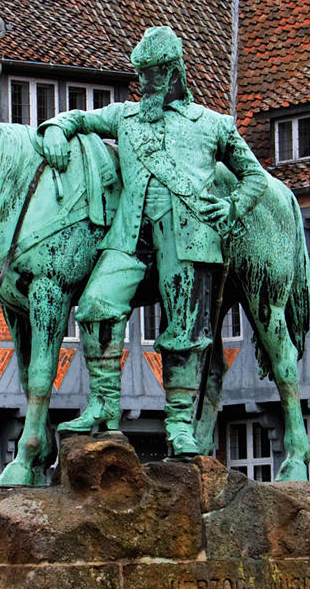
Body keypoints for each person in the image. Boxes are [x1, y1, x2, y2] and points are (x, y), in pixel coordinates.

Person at [36, 26, 276, 455]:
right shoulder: (123, 117)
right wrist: (54, 128)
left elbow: (255, 177)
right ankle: (104, 407)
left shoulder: (212, 125)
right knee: (95, 306)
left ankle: (180, 425)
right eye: (141, 74)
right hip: (130, 235)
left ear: (173, 72)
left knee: (184, 331)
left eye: (153, 74)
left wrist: (234, 206)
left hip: (189, 238)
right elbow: (78, 118)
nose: (145, 83)